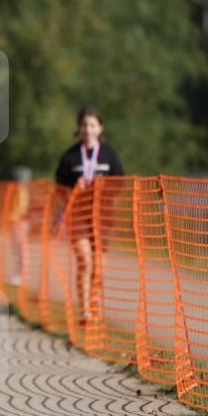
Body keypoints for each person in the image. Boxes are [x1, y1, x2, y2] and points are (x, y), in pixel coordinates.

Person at [55, 106, 124, 324]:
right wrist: (74, 188)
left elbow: (120, 183)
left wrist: (103, 187)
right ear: (78, 128)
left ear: (100, 128)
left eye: (92, 125)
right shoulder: (70, 156)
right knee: (85, 261)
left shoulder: (109, 154)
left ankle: (95, 307)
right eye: (84, 125)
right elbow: (59, 187)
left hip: (103, 216)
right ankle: (85, 311)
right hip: (78, 215)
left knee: (98, 266)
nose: (88, 129)